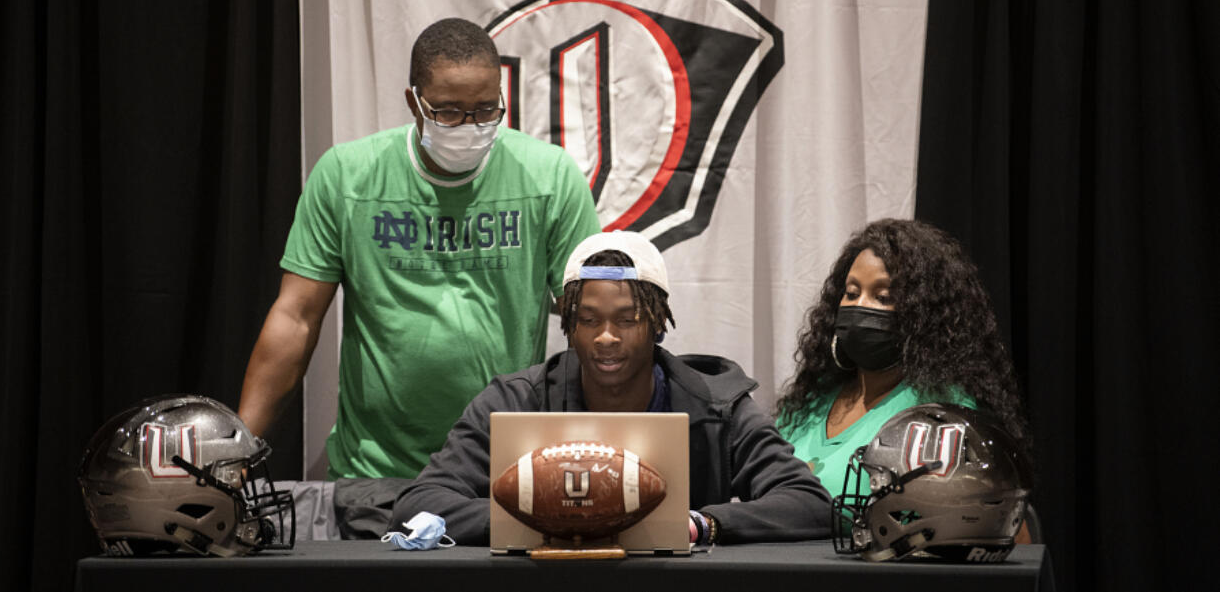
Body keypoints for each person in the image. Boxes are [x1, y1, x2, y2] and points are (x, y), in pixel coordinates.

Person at [238, 18, 601, 479]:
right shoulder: (348, 176)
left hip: (505, 466)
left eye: (486, 110)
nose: (469, 127)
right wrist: (241, 447)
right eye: (449, 112)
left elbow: (591, 313)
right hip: (375, 471)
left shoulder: (548, 176)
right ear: (414, 101)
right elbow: (296, 318)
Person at [392, 230, 833, 545]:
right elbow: (419, 503)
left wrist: (701, 524)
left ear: (658, 322)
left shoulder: (717, 406)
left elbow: (809, 502)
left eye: (627, 319)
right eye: (588, 321)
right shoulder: (516, 400)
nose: (606, 337)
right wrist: (544, 520)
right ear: (569, 325)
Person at [775, 218, 1030, 503]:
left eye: (883, 297)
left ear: (923, 316)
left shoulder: (940, 413)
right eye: (852, 293)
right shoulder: (811, 400)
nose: (860, 307)